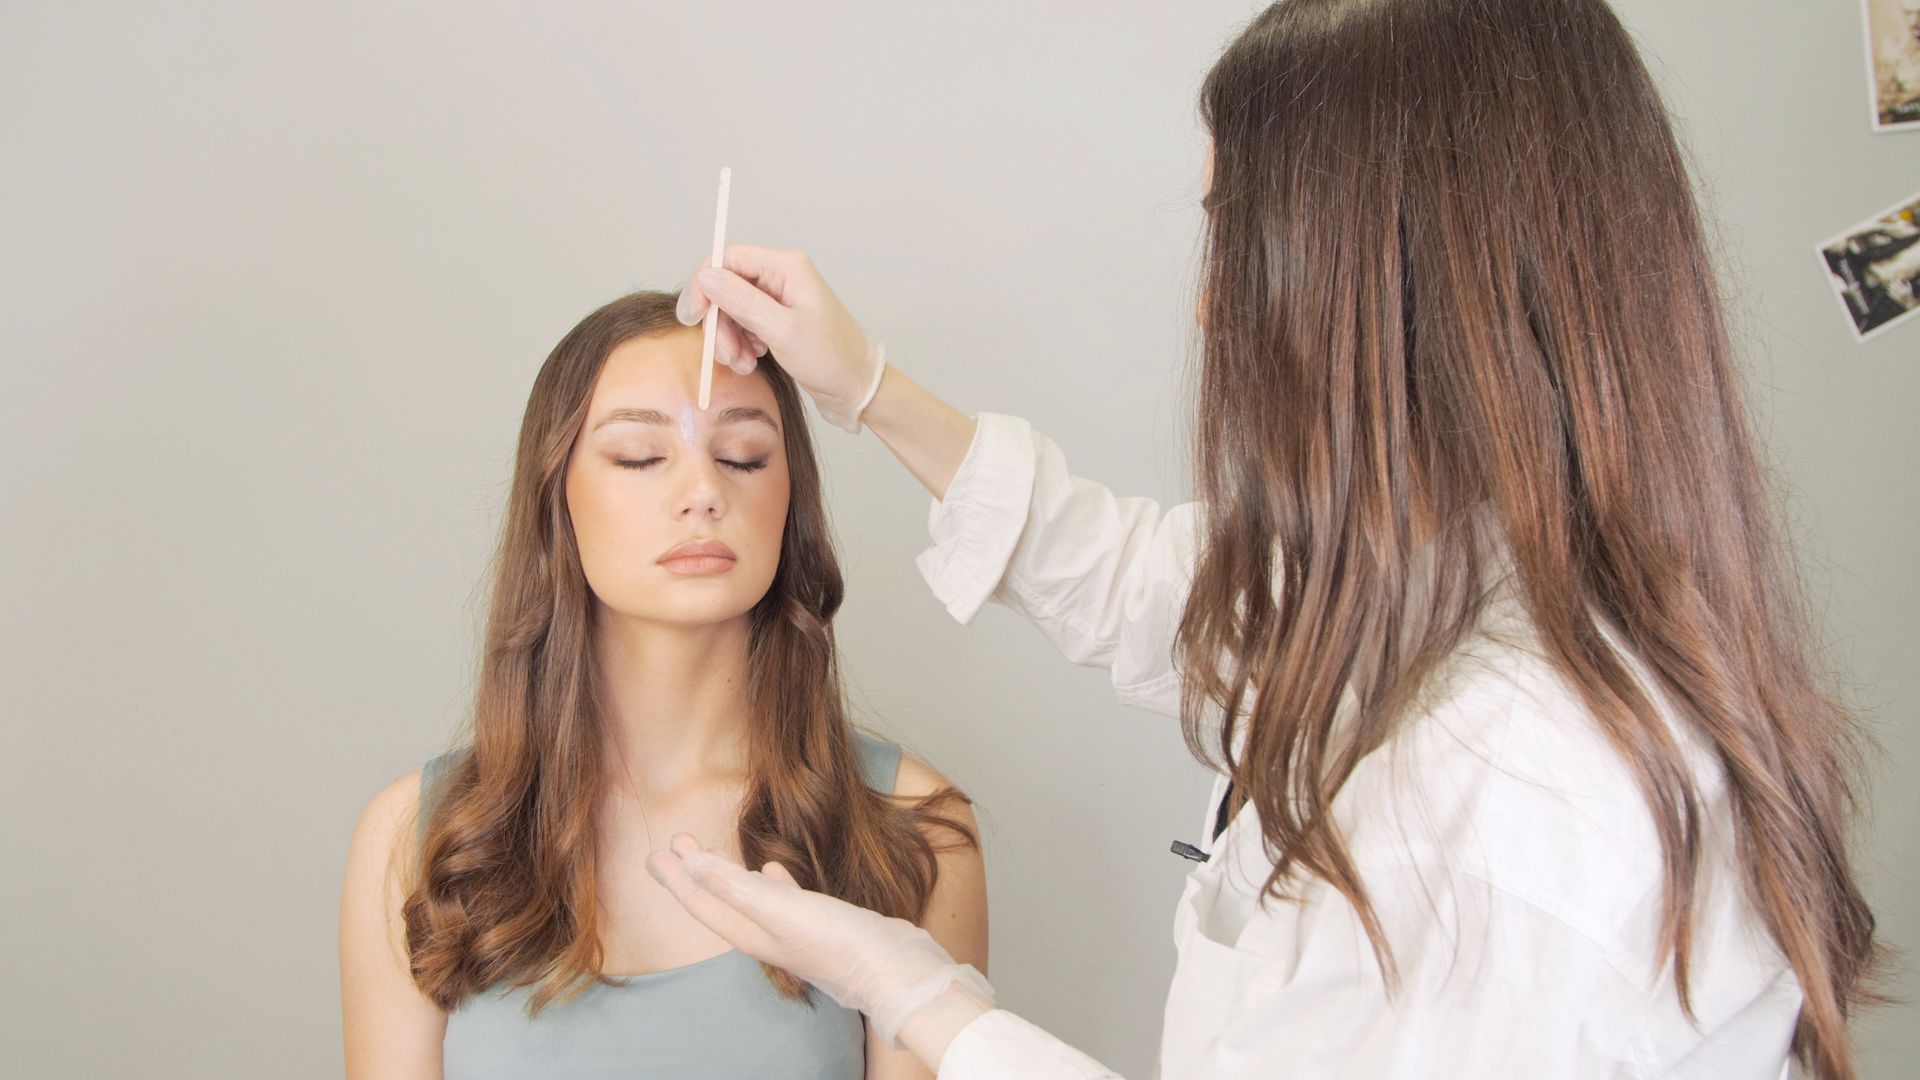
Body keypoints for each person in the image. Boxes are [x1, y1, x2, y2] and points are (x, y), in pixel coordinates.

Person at [648, 1, 1883, 1077]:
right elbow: (1154, 587)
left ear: (1379, 277)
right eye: (637, 454)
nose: (1207, 299)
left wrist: (921, 997)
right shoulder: (1452, 590)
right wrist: (867, 386)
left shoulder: (1509, 814)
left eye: (1232, 237)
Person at [338, 290, 987, 1079]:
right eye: (641, 457)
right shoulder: (417, 840)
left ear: (793, 498)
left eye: (744, 456)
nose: (704, 491)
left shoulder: (909, 829)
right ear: (557, 499)